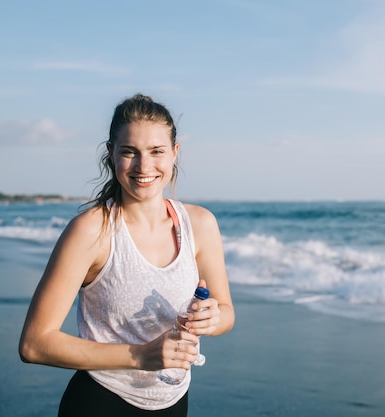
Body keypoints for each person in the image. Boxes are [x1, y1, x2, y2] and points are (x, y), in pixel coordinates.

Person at [19, 93, 235, 416]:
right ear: (111, 154)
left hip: (173, 403)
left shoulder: (200, 225)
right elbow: (34, 343)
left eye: (157, 151)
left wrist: (212, 318)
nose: (144, 166)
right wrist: (138, 356)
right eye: (130, 152)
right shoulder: (91, 231)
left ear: (175, 153)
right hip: (100, 401)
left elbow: (227, 313)